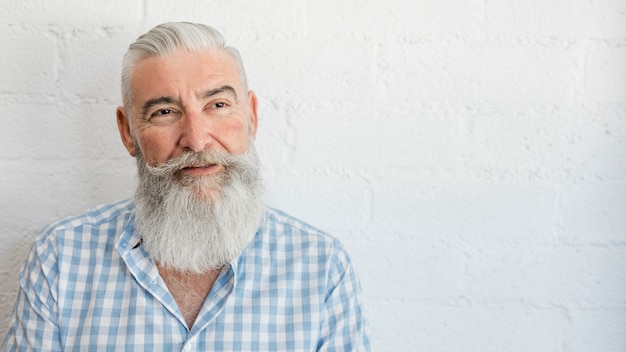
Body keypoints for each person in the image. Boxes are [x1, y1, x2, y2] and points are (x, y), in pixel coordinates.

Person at [2, 22, 371, 351]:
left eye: (218, 104)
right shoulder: (61, 259)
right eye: (164, 112)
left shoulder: (321, 267)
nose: (196, 140)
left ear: (252, 116)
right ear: (127, 132)